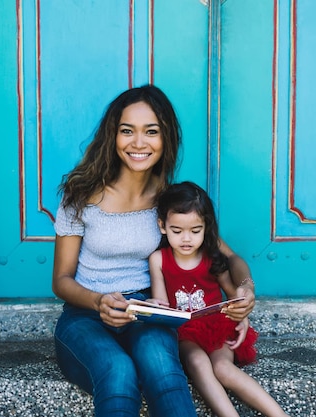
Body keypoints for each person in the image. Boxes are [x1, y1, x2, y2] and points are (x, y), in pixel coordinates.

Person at [51, 85, 256, 417]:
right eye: (127, 131)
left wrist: (245, 291)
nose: (138, 143)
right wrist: (99, 301)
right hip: (85, 314)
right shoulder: (81, 193)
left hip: (150, 311)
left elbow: (231, 258)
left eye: (151, 132)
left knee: (164, 373)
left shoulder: (169, 201)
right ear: (112, 136)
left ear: (166, 139)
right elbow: (61, 279)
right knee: (118, 374)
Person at [148, 181, 290, 417]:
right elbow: (163, 305)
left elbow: (233, 296)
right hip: (184, 332)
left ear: (206, 227)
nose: (186, 239)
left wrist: (241, 313)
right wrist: (153, 306)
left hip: (217, 326)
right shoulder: (158, 260)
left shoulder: (211, 256)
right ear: (162, 226)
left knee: (223, 368)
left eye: (195, 231)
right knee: (197, 362)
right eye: (177, 231)